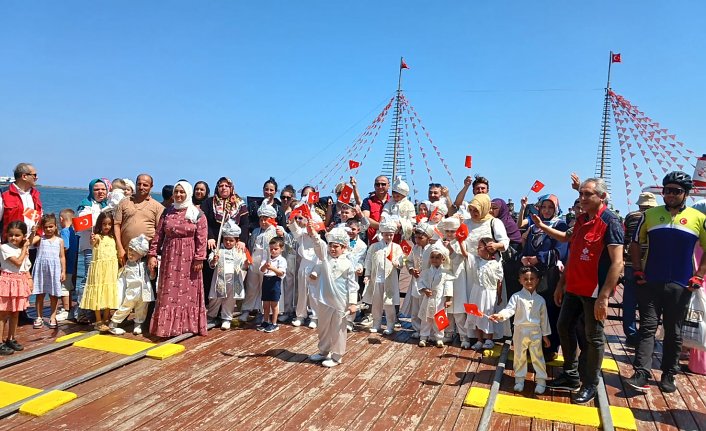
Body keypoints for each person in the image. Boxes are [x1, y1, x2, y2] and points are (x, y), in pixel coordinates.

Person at [533, 178, 623, 404]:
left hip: (594, 291)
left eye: (587, 194)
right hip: (573, 286)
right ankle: (570, 375)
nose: (582, 198)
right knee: (563, 326)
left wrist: (604, 296)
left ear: (601, 197)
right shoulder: (582, 219)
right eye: (581, 194)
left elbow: (618, 263)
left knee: (594, 337)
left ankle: (590, 383)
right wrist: (562, 283)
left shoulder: (610, 222)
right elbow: (569, 244)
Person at [626, 172, 706, 393]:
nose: (670, 194)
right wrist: (638, 270)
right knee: (648, 328)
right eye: (667, 190)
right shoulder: (650, 215)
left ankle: (669, 374)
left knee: (674, 331)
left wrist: (699, 275)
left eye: (676, 191)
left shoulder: (698, 218)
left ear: (686, 194)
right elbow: (635, 243)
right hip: (651, 280)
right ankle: (641, 372)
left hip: (681, 284)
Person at [148, 181, 208, 337]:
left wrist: (199, 258)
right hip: (170, 257)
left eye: (182, 192)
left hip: (189, 259)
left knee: (188, 293)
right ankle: (166, 327)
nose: (179, 195)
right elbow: (158, 235)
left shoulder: (197, 214)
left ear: (188, 193)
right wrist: (152, 254)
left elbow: (202, 238)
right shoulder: (167, 212)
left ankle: (187, 326)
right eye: (177, 192)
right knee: (168, 292)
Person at [519, 194, 568, 359]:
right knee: (532, 310)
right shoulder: (534, 227)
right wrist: (525, 258)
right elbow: (527, 249)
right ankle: (533, 345)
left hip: (550, 276)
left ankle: (550, 348)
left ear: (556, 209)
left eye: (550, 208)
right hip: (533, 275)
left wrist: (538, 258)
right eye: (544, 207)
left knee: (549, 310)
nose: (546, 211)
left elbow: (560, 251)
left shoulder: (560, 225)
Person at [490, 266, 551, 394]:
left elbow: (544, 319)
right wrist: (501, 315)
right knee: (519, 355)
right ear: (520, 280)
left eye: (532, 278)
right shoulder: (516, 297)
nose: (529, 281)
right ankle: (519, 379)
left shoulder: (540, 300)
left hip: (535, 331)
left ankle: (541, 380)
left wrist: (545, 335)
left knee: (537, 356)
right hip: (520, 330)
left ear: (537, 280)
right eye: (525, 279)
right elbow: (509, 310)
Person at [307, 226, 359, 368]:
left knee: (338, 329)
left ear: (343, 248)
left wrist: (353, 303)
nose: (332, 249)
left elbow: (352, 285)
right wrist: (313, 234)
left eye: (336, 246)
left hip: (340, 301)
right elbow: (319, 246)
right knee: (323, 327)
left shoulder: (348, 264)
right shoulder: (324, 259)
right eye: (330, 245)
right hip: (324, 299)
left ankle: (337, 356)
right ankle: (324, 351)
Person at [0, 163, 41, 326]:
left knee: (24, 280)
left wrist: (36, 238)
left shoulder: (35, 195)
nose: (36, 178)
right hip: (10, 247)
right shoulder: (5, 195)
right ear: (24, 176)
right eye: (34, 175)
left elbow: (38, 218)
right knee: (7, 280)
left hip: (30, 244)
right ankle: (5, 312)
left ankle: (20, 312)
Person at [201, 177, 249, 306]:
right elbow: (205, 223)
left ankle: (227, 309)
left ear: (231, 188)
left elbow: (245, 224)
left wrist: (243, 240)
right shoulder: (209, 202)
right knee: (211, 275)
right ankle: (210, 307)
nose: (223, 188)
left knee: (232, 275)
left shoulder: (239, 203)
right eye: (221, 186)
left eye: (226, 186)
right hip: (215, 243)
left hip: (232, 243)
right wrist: (209, 237)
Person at [621, 192, 657, 347]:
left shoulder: (630, 217)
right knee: (648, 302)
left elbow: (624, 239)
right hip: (650, 263)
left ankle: (631, 334)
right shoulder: (655, 216)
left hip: (630, 263)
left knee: (629, 301)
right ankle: (646, 334)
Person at [74, 178, 108, 323]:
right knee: (88, 279)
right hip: (90, 248)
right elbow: (81, 223)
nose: (100, 192)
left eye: (103, 189)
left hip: (106, 249)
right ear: (91, 191)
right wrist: (101, 224)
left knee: (103, 280)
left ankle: (97, 310)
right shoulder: (85, 205)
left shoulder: (109, 205)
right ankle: (80, 311)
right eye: (96, 189)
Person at [241, 201, 282, 324]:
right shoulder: (255, 231)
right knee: (252, 286)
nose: (263, 222)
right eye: (261, 219)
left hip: (268, 262)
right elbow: (250, 245)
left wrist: (282, 235)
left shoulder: (276, 231)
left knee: (265, 288)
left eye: (266, 219)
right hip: (255, 260)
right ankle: (247, 309)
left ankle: (262, 312)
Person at [79, 212, 119, 332]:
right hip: (99, 270)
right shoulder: (97, 236)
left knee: (108, 293)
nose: (107, 227)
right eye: (104, 224)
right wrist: (92, 239)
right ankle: (98, 320)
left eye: (109, 224)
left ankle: (106, 317)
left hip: (110, 270)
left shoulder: (113, 238)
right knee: (98, 293)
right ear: (99, 225)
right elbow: (92, 243)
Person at [363, 219, 404, 334]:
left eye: (391, 235)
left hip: (389, 279)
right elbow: (369, 261)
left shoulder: (396, 247)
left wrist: (398, 264)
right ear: (382, 234)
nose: (389, 237)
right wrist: (367, 274)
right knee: (376, 303)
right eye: (386, 235)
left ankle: (390, 325)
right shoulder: (374, 247)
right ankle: (376, 324)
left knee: (389, 304)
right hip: (377, 279)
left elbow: (401, 261)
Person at [206, 220, 248, 330]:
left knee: (230, 300)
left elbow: (244, 264)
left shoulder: (240, 251)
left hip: (234, 280)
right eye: (226, 240)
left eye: (231, 240)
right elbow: (211, 263)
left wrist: (246, 263)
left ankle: (226, 318)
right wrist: (214, 260)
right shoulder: (218, 250)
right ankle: (211, 316)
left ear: (236, 241)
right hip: (219, 280)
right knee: (215, 298)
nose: (228, 242)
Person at [108, 234, 153, 335]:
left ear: (141, 254)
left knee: (142, 309)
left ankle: (138, 324)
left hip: (144, 291)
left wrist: (152, 273)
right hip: (131, 292)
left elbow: (151, 276)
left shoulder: (144, 265)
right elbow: (121, 280)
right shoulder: (127, 265)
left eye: (134, 253)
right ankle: (113, 323)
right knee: (125, 307)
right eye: (129, 251)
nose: (130, 254)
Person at [288, 202, 323, 328]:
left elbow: (321, 254)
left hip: (315, 264)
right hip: (304, 263)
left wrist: (316, 271)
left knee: (313, 292)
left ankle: (315, 317)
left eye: (302, 218)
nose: (300, 221)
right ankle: (300, 315)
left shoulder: (318, 237)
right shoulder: (302, 234)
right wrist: (293, 217)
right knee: (302, 290)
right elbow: (293, 228)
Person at [0, 221, 33, 354]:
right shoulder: (4, 248)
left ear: (23, 236)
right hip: (7, 281)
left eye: (17, 235)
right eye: (11, 235)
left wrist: (29, 279)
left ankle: (11, 338)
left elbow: (25, 267)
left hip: (19, 282)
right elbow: (18, 262)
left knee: (15, 312)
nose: (13, 238)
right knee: (2, 314)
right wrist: (25, 248)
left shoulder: (22, 250)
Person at [438, 217, 472, 348]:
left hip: (458, 277)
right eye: (447, 231)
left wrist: (451, 249)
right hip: (445, 276)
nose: (449, 234)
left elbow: (459, 260)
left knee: (458, 309)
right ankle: (448, 332)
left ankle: (464, 336)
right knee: (446, 307)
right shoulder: (442, 242)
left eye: (452, 231)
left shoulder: (462, 242)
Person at [466, 237, 504, 351]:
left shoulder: (496, 264)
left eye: (480, 246)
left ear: (488, 248)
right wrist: (460, 240)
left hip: (489, 293)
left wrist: (499, 296)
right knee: (477, 314)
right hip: (477, 291)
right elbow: (465, 253)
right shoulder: (476, 260)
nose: (477, 248)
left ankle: (489, 339)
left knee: (488, 313)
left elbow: (499, 282)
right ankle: (479, 339)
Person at [31, 213, 66, 329]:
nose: (48, 229)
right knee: (39, 293)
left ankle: (52, 316)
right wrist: (33, 232)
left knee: (53, 295)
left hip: (54, 269)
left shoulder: (59, 241)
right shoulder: (40, 239)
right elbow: (29, 242)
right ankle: (39, 316)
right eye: (45, 227)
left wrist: (63, 271)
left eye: (51, 226)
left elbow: (62, 257)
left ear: (55, 226)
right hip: (41, 269)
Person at [417, 242, 453, 348]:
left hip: (440, 299)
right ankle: (423, 337)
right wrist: (424, 290)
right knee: (426, 319)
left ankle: (439, 338)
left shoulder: (445, 273)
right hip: (428, 298)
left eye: (437, 257)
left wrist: (448, 299)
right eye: (432, 257)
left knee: (439, 319)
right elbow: (421, 282)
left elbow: (448, 285)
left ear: (443, 259)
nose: (434, 259)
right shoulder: (426, 272)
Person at [401, 223, 434, 338]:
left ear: (428, 238)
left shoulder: (432, 249)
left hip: (428, 282)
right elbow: (409, 261)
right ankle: (418, 329)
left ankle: (430, 332)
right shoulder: (415, 248)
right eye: (416, 237)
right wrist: (411, 270)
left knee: (427, 308)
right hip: (416, 282)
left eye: (421, 238)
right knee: (416, 308)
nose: (417, 240)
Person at [259, 237, 287, 333]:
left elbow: (281, 273)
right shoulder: (266, 258)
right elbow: (262, 270)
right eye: (271, 249)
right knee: (266, 304)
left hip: (275, 282)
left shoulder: (282, 260)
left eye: (276, 249)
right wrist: (265, 266)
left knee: (274, 304)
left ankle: (274, 323)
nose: (273, 251)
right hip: (266, 281)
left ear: (281, 249)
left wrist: (272, 268)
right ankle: (265, 321)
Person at [58, 209, 79, 321]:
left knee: (64, 287)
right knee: (69, 286)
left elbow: (65, 246)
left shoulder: (65, 231)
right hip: (72, 263)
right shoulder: (74, 231)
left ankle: (66, 310)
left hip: (65, 264)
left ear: (61, 219)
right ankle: (69, 308)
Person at [361, 175, 390, 243]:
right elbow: (366, 218)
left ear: (388, 185)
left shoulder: (394, 202)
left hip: (393, 243)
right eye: (377, 184)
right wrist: (383, 227)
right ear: (374, 186)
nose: (380, 186)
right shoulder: (368, 201)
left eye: (383, 184)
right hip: (373, 243)